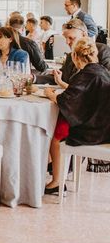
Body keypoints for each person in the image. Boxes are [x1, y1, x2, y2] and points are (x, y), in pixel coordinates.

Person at [44, 38, 110, 194]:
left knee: (56, 136)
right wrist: (61, 83)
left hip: (93, 132)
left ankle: (56, 181)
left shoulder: (85, 75)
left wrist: (50, 94)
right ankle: (54, 171)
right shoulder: (100, 71)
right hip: (104, 126)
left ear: (75, 57)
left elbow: (66, 100)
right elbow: (84, 93)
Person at [38, 19, 110, 87]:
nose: (67, 42)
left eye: (71, 38)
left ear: (84, 35)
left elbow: (105, 83)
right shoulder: (71, 56)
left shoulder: (102, 51)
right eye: (65, 38)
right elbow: (60, 76)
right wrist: (33, 78)